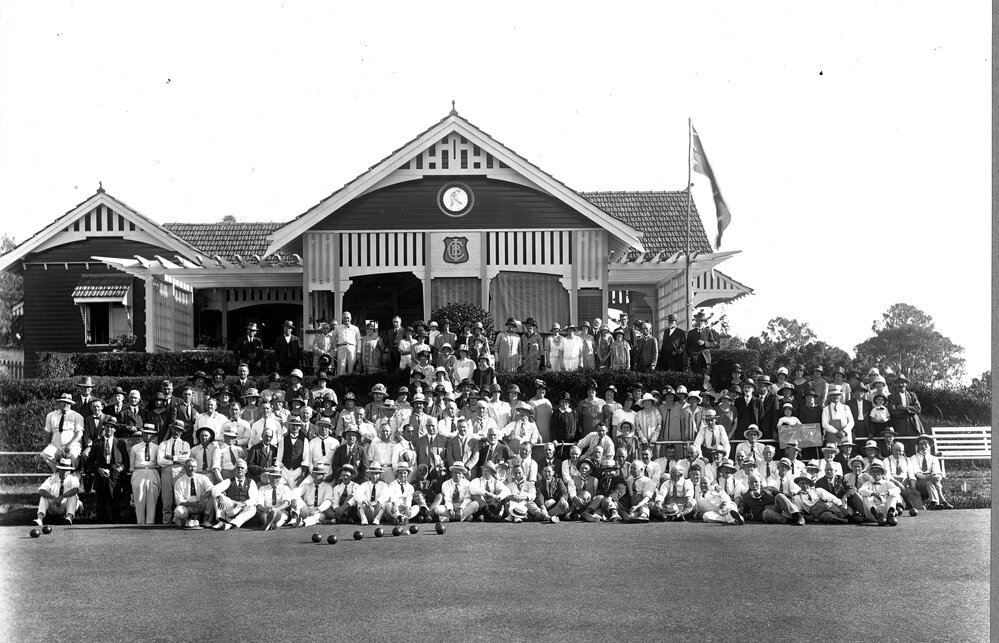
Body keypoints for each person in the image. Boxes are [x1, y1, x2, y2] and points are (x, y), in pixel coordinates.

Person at [209, 459, 259, 530]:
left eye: (242, 468)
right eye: (238, 468)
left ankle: (230, 524)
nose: (240, 469)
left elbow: (254, 498)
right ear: (234, 470)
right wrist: (220, 497)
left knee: (253, 509)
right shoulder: (229, 481)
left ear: (246, 471)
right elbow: (214, 489)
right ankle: (221, 520)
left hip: (243, 508)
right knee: (216, 496)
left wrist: (243, 503)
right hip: (231, 506)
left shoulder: (251, 482)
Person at [42, 393, 85, 472]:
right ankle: (58, 472)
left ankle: (73, 473)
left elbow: (79, 434)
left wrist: (69, 445)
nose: (66, 404)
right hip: (55, 445)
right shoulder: (51, 415)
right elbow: (48, 433)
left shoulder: (77, 416)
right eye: (64, 402)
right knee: (45, 454)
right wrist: (47, 446)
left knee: (73, 455)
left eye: (68, 403)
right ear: (59, 403)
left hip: (72, 445)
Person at [909, 435, 953, 510]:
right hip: (920, 482)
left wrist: (937, 477)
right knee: (930, 481)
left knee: (932, 480)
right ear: (918, 446)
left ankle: (934, 503)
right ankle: (942, 500)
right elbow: (916, 473)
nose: (923, 446)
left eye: (925, 444)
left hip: (931, 480)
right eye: (921, 444)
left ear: (929, 446)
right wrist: (927, 477)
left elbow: (937, 471)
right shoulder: (913, 458)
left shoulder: (934, 458)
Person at [129, 425, 161, 524]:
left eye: (150, 434)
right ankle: (140, 524)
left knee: (152, 501)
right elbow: (131, 466)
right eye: (146, 433)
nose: (148, 436)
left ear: (153, 435)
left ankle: (150, 524)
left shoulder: (157, 448)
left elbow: (160, 463)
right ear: (142, 434)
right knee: (139, 500)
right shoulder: (135, 448)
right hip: (139, 472)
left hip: (152, 472)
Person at [172, 457, 215, 527]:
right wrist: (194, 504)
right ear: (185, 467)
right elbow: (180, 501)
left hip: (201, 505)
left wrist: (203, 498)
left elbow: (212, 489)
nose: (192, 469)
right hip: (188, 506)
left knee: (213, 496)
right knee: (179, 511)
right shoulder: (179, 481)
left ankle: (205, 521)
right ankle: (187, 520)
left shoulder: (202, 478)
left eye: (194, 467)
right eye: (190, 466)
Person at [858, 460, 902, 526]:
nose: (875, 474)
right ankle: (876, 514)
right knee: (865, 495)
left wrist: (887, 493)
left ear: (882, 473)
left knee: (893, 494)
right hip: (872, 512)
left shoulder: (887, 483)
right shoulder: (867, 483)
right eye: (873, 472)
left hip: (885, 509)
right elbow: (860, 490)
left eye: (878, 471)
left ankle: (890, 514)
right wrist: (873, 493)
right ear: (871, 473)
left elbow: (898, 489)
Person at [256, 466, 296, 530]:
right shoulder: (262, 488)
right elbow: (258, 505)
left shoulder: (284, 488)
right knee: (263, 516)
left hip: (280, 511)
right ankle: (270, 524)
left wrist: (276, 510)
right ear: (269, 477)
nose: (275, 480)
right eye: (273, 477)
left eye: (277, 477)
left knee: (281, 516)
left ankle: (273, 525)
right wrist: (265, 509)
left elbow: (286, 502)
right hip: (267, 511)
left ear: (280, 478)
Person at [684, 311, 719, 375]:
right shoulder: (691, 333)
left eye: (702, 321)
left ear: (704, 322)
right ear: (696, 321)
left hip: (706, 358)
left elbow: (712, 343)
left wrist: (704, 343)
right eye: (698, 321)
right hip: (695, 359)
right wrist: (692, 355)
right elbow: (687, 347)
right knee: (695, 375)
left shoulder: (708, 331)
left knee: (706, 375)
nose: (700, 323)